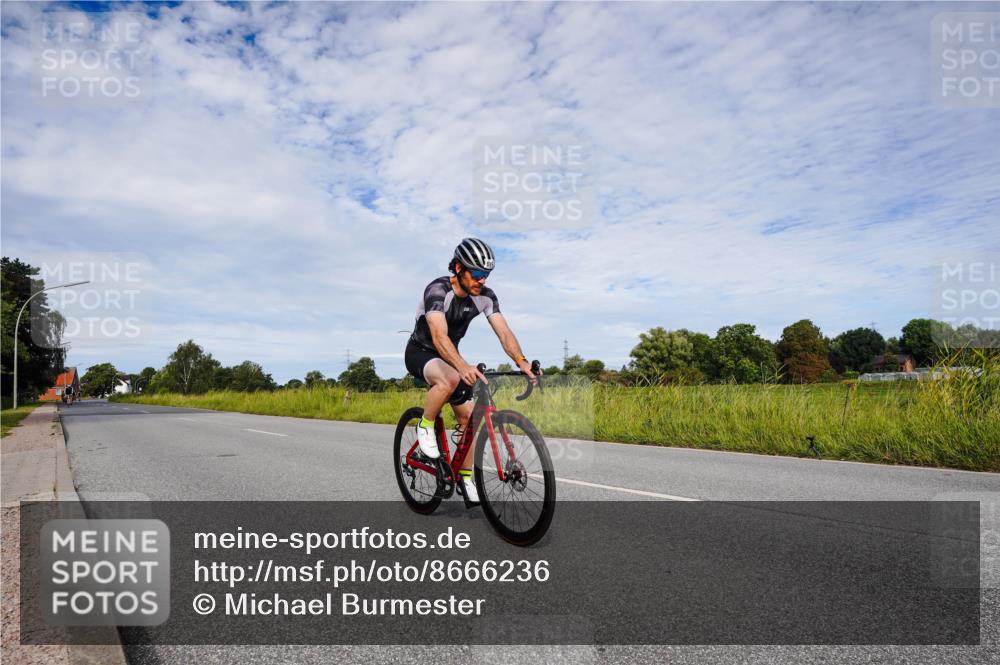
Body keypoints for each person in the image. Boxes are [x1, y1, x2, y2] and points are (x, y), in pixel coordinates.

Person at [405, 238, 537, 505]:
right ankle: (425, 425)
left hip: (451, 356)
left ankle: (465, 476)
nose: (482, 280)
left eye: (486, 275)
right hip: (422, 351)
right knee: (451, 378)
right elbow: (439, 336)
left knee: (469, 420)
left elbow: (504, 332)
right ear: (457, 267)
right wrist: (463, 366)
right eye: (476, 273)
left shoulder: (486, 297)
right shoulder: (438, 290)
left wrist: (521, 361)